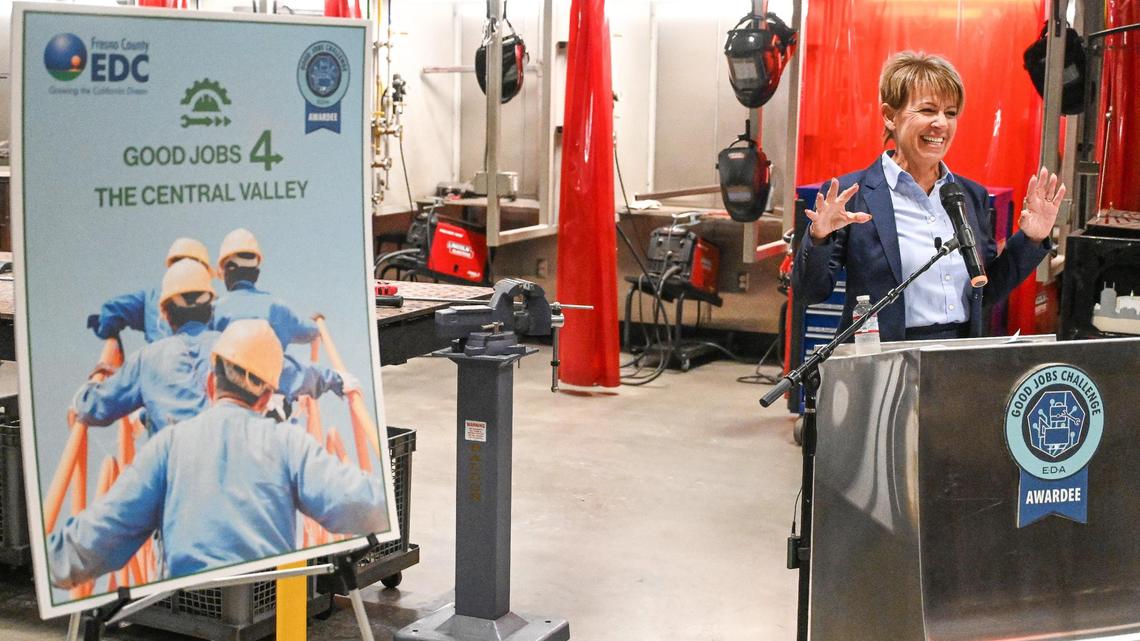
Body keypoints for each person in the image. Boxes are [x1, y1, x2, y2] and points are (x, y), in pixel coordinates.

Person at [48, 319, 390, 587]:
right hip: (269, 597)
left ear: (212, 384)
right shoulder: (288, 443)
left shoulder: (168, 446)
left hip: (187, 598)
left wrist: (49, 557)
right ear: (265, 396)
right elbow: (362, 504)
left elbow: (95, 541)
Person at [793, 51, 1066, 342]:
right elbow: (811, 292)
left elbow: (984, 291)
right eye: (927, 110)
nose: (941, 124)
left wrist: (1030, 240)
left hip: (956, 358)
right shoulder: (853, 195)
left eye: (950, 113)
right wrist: (818, 237)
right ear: (889, 116)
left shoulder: (969, 196)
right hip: (883, 359)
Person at [73, 260, 352, 434]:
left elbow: (93, 408)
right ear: (211, 309)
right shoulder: (237, 345)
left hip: (177, 498)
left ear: (166, 314)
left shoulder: (146, 360)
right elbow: (295, 373)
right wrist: (338, 380)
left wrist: (99, 374)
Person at [87, 238, 212, 343]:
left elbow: (113, 311)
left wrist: (106, 330)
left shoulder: (150, 297)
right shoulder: (213, 305)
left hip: (156, 364)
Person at [212, 228, 320, 348]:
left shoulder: (214, 310)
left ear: (228, 271)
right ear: (256, 273)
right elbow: (310, 331)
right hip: (274, 367)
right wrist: (316, 323)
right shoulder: (277, 308)